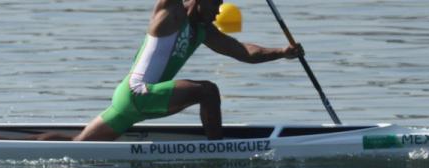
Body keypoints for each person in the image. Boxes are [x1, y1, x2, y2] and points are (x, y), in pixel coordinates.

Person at [74, 0, 301, 141]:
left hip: (135, 102)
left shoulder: (203, 31)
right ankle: (216, 153)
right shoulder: (171, 12)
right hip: (137, 92)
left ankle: (37, 141)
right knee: (207, 91)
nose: (218, 11)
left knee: (77, 146)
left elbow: (244, 52)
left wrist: (283, 52)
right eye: (214, 3)